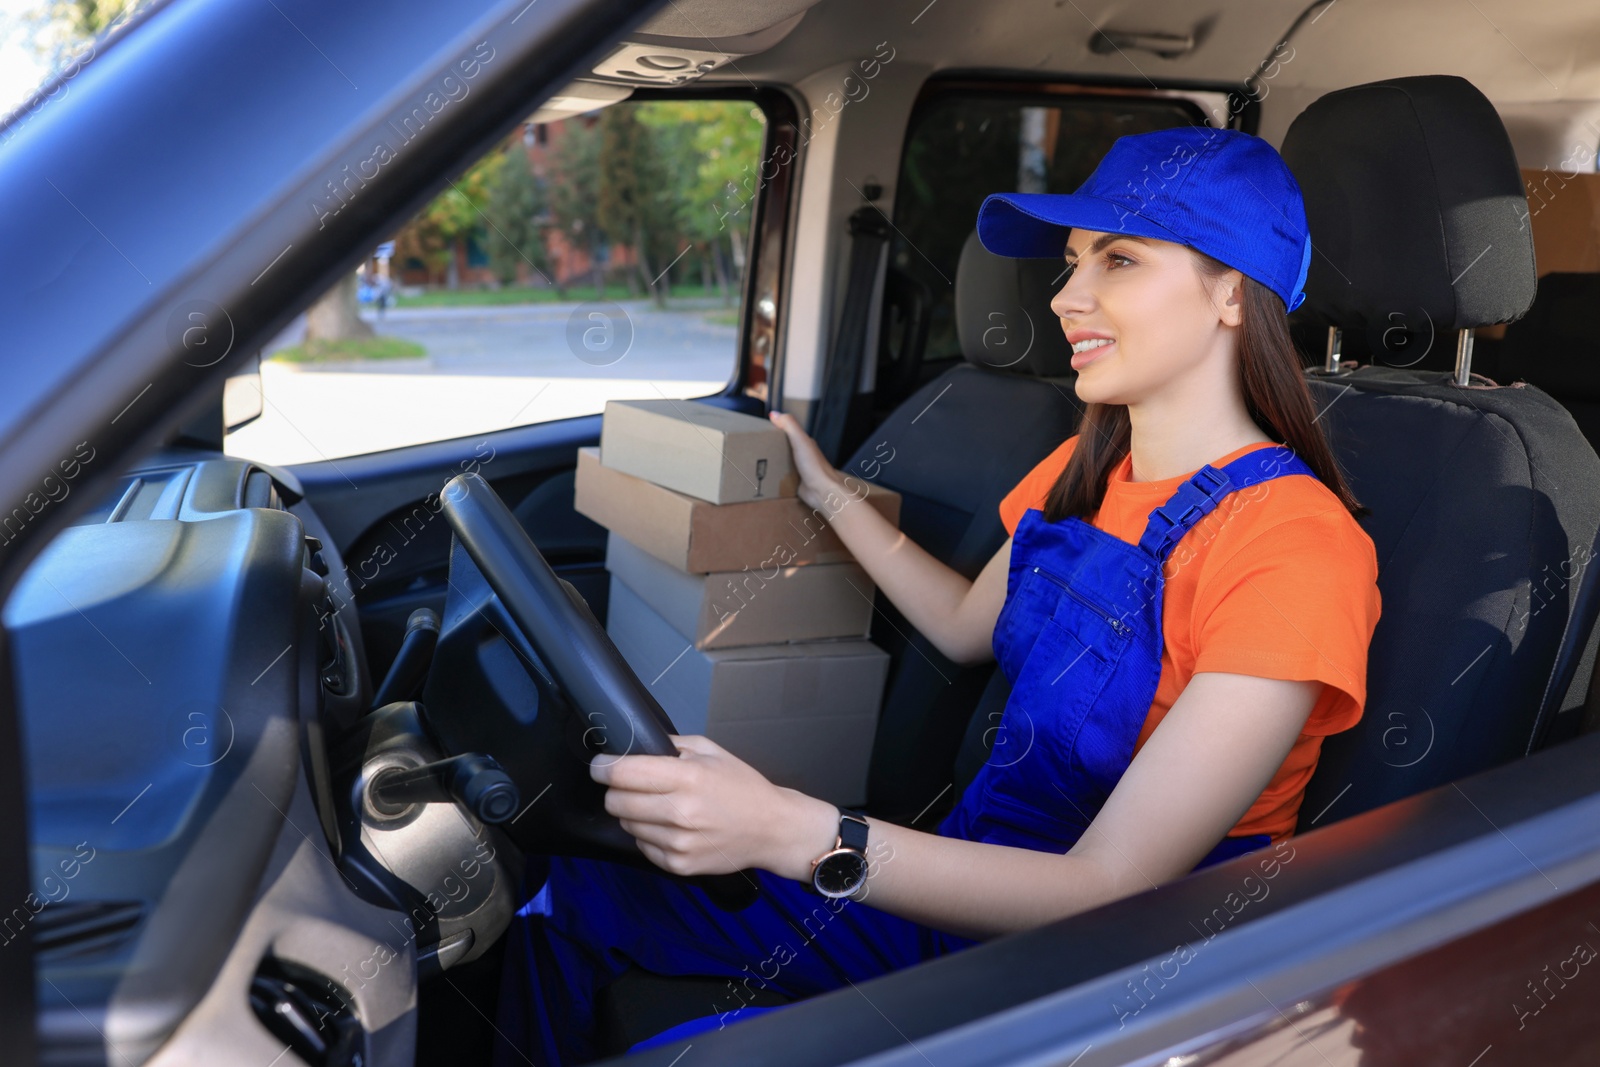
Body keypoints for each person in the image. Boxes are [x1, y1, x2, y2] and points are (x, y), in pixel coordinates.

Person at [492, 125, 1382, 1065]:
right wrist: (827, 490)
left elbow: (1110, 886)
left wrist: (795, 827)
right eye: (1072, 261)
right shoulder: (1092, 464)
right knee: (578, 878)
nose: (1066, 294)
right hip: (968, 892)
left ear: (1232, 292)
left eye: (1118, 259)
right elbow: (965, 624)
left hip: (1107, 980)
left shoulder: (1295, 543)